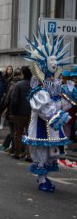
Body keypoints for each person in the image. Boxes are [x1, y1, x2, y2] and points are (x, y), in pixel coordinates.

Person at [22, 29, 72, 192]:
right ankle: (42, 179)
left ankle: (44, 178)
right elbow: (42, 108)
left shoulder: (57, 85)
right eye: (51, 61)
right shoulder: (38, 89)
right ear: (43, 64)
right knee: (42, 153)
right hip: (41, 127)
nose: (54, 63)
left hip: (53, 128)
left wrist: (68, 99)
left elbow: (62, 104)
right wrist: (57, 116)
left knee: (53, 154)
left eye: (56, 60)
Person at [10, 67, 32, 160]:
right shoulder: (34, 85)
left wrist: (13, 111)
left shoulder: (18, 85)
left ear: (23, 74)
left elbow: (14, 100)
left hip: (19, 112)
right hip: (31, 112)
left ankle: (17, 153)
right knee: (29, 133)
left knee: (18, 133)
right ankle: (29, 154)